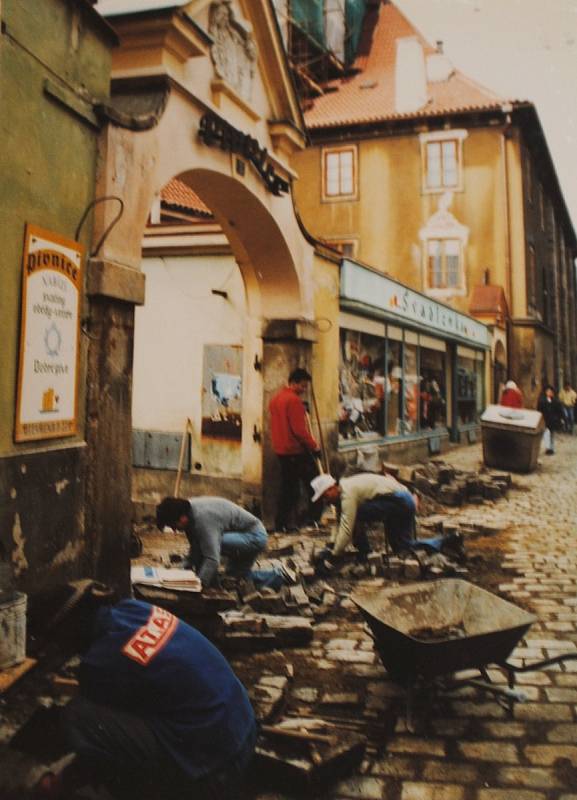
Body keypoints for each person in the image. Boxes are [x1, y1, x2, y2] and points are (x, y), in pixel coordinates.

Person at [56, 598, 257, 800]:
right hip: (244, 729)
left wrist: (64, 779)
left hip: (214, 768)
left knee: (78, 716)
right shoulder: (137, 609)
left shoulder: (98, 663)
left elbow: (106, 721)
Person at [156, 496, 294, 590]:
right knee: (235, 579)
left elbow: (212, 559)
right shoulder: (188, 513)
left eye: (174, 525)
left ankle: (279, 575)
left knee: (210, 545)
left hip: (254, 537)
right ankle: (278, 576)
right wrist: (179, 572)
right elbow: (194, 552)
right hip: (238, 537)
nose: (175, 530)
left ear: (182, 517)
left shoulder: (202, 520)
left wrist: (198, 586)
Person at [311, 472, 418, 575]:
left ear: (332, 487)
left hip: (401, 501)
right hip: (401, 499)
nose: (326, 501)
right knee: (402, 548)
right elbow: (339, 521)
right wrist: (331, 545)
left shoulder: (348, 493)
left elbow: (347, 527)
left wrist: (334, 557)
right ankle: (425, 551)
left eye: (325, 496)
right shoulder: (344, 489)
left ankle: (365, 553)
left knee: (356, 513)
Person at [269, 367, 322, 531]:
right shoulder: (293, 401)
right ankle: (309, 519)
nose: (305, 389)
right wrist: (314, 446)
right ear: (294, 383)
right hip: (295, 451)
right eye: (303, 385)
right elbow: (299, 430)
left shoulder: (276, 399)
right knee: (313, 485)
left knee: (287, 487)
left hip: (281, 450)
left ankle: (281, 523)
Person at [537, 384, 563, 455]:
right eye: (548, 391)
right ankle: (547, 447)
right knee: (546, 433)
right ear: (546, 392)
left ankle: (552, 448)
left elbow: (559, 411)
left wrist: (559, 418)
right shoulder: (542, 401)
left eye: (551, 392)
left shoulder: (556, 401)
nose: (549, 393)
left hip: (553, 420)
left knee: (552, 434)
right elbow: (539, 410)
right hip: (545, 419)